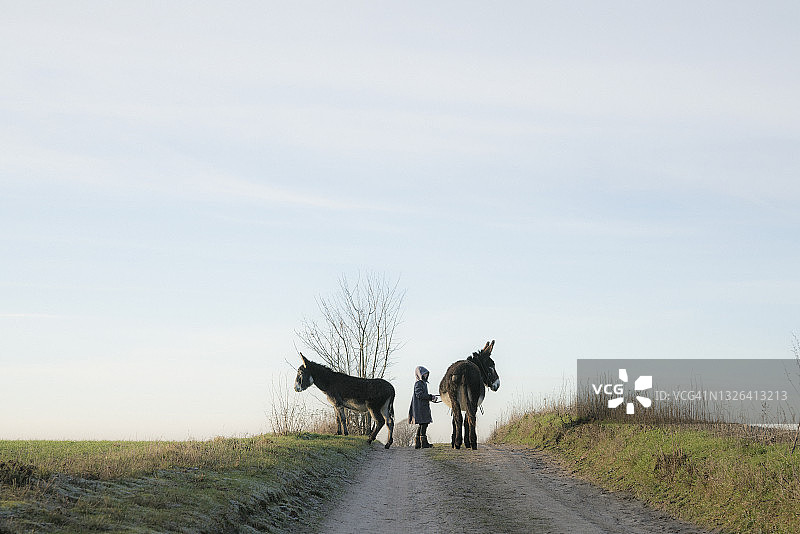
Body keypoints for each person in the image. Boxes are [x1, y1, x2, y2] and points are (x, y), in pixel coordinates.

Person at [408, 365, 439, 448]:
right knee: (424, 424)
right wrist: (430, 397)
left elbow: (422, 395)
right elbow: (419, 395)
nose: (426, 375)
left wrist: (430, 397)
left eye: (426, 374)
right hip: (420, 407)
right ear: (420, 374)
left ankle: (418, 443)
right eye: (424, 374)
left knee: (422, 424)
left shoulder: (422, 383)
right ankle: (423, 443)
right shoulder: (418, 383)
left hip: (422, 406)